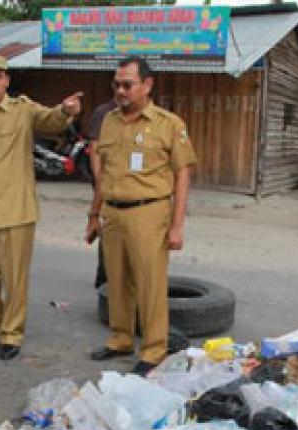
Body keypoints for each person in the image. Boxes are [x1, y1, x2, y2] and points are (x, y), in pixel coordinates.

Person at [0, 53, 83, 361]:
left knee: (14, 276)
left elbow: (50, 120)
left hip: (16, 209)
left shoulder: (23, 110)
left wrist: (66, 110)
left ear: (6, 80)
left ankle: (11, 333)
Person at [87, 56, 197, 377]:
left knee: (149, 284)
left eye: (127, 85)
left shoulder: (168, 124)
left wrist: (177, 226)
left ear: (147, 85)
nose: (120, 91)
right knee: (117, 281)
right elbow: (104, 174)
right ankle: (120, 338)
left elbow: (182, 174)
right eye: (116, 84)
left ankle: (153, 348)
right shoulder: (109, 121)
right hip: (113, 213)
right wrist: (94, 215)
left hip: (149, 212)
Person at [86, 97, 118, 289]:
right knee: (106, 231)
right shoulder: (104, 112)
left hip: (127, 185)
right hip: (106, 183)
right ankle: (104, 279)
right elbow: (95, 150)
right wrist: (100, 182)